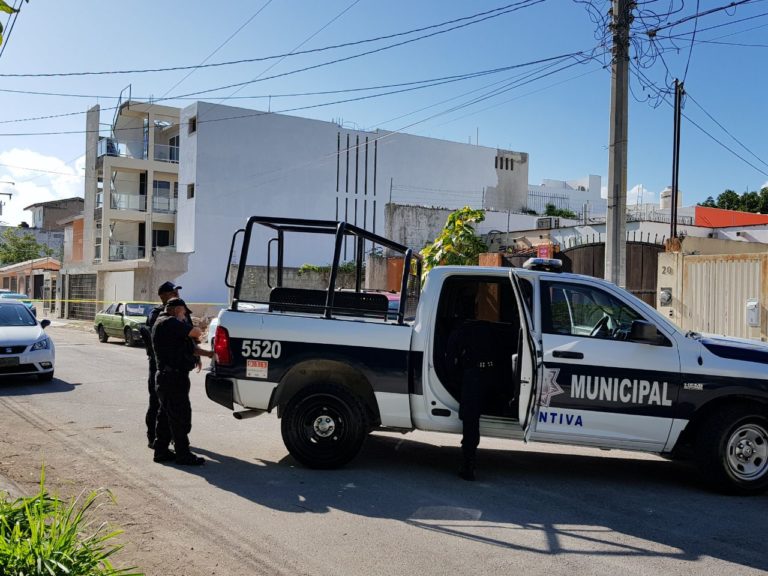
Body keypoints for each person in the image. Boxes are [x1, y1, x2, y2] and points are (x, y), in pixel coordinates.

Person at [446, 295, 499, 481]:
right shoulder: (491, 329)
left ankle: (468, 464)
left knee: (470, 422)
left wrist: (458, 384)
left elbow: (450, 364)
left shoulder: (459, 331)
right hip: (491, 376)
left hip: (472, 378)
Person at [151, 297, 206, 466]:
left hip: (169, 377)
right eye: (183, 313)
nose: (184, 317)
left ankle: (161, 451)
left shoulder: (167, 324)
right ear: (176, 310)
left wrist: (208, 355)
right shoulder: (169, 322)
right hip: (172, 378)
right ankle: (183, 454)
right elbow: (196, 332)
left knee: (166, 416)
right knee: (179, 417)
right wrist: (195, 328)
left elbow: (188, 347)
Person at [140, 281, 184, 449]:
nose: (177, 295)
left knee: (174, 405)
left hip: (177, 366)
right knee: (157, 403)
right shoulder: (157, 315)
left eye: (177, 292)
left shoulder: (178, 310)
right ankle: (153, 437)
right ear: (164, 296)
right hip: (159, 365)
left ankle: (170, 436)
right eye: (173, 292)